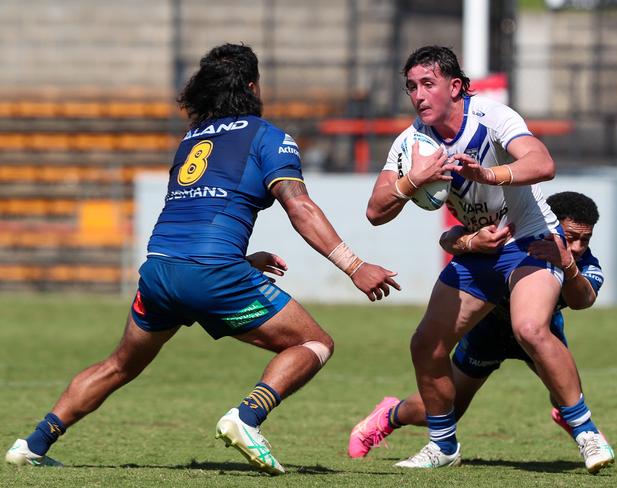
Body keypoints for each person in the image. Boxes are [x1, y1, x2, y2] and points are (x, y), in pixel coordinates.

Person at [4, 43, 400, 476]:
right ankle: (247, 417)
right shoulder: (267, 136)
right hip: (211, 273)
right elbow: (299, 206)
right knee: (314, 342)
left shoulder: (191, 140)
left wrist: (240, 261)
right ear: (252, 86)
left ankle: (32, 443)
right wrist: (355, 266)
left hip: (160, 272)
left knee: (119, 364)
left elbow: (194, 217)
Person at [364, 45, 613, 474]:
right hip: (481, 251)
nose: (418, 95)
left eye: (428, 84)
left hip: (530, 241)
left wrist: (490, 174)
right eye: (411, 87)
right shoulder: (411, 143)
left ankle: (588, 433)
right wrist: (411, 182)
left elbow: (542, 162)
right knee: (426, 343)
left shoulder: (492, 116)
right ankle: (442, 445)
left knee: (530, 327)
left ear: (455, 86)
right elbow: (375, 211)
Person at [350, 191, 614, 472]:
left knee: (568, 392)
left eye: (585, 240)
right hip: (487, 334)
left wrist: (568, 265)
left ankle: (581, 427)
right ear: (548, 223)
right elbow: (449, 238)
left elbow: (582, 300)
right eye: (571, 236)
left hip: (540, 334)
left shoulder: (585, 263)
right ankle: (389, 415)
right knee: (446, 409)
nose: (577, 246)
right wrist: (465, 241)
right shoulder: (513, 236)